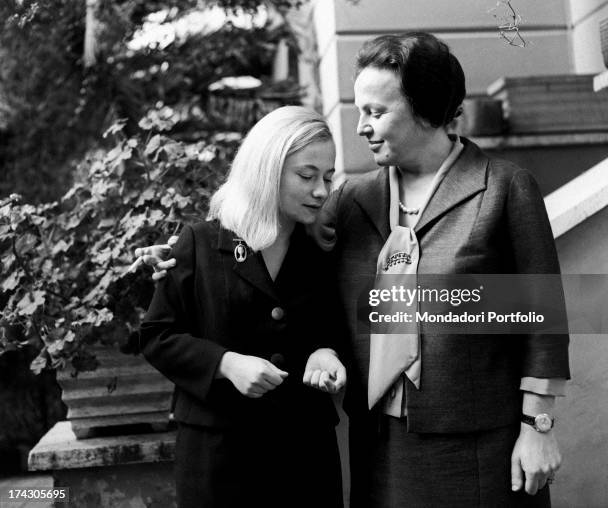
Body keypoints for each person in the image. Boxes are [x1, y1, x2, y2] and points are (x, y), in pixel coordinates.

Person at [137, 33, 570, 508]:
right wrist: (181, 259)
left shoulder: (504, 189)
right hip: (380, 445)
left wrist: (538, 427)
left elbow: (540, 319)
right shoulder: (350, 200)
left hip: (479, 444)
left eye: (376, 112)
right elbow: (269, 244)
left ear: (425, 109)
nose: (361, 125)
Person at [138, 106, 346, 508]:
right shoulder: (199, 243)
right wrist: (226, 363)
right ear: (266, 171)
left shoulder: (321, 252)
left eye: (328, 177)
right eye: (307, 175)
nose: (321, 190)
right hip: (219, 460)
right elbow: (157, 336)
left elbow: (331, 327)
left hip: (305, 456)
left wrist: (326, 351)